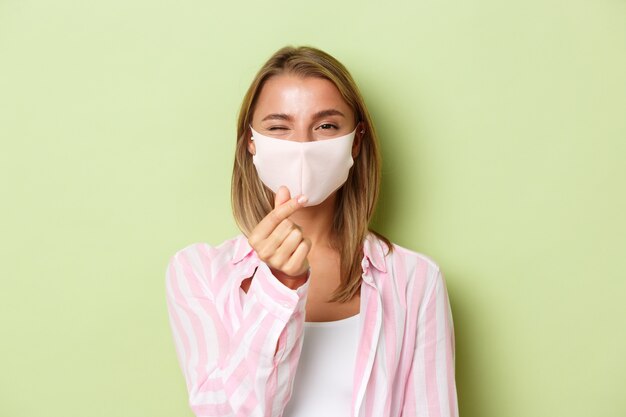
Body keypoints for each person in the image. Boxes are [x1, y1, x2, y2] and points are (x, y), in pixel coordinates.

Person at [165, 45, 458, 417]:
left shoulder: (414, 280)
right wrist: (278, 287)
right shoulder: (198, 272)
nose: (302, 146)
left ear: (357, 140)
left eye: (325, 126)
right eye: (279, 127)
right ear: (252, 140)